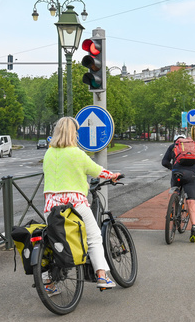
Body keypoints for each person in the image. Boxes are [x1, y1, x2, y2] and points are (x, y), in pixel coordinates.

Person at [42, 116, 120, 291]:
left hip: (51, 204)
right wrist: (113, 175)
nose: (77, 134)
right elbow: (97, 170)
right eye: (76, 131)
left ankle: (48, 283)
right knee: (93, 237)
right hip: (74, 203)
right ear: (73, 133)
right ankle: (102, 275)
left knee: (54, 241)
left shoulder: (48, 153)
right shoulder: (77, 153)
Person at [161, 134, 195, 242]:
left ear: (176, 140)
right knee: (191, 202)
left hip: (177, 173)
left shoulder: (173, 146)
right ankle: (194, 227)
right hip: (191, 174)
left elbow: (164, 162)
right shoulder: (194, 145)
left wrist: (172, 168)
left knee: (173, 191)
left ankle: (171, 212)